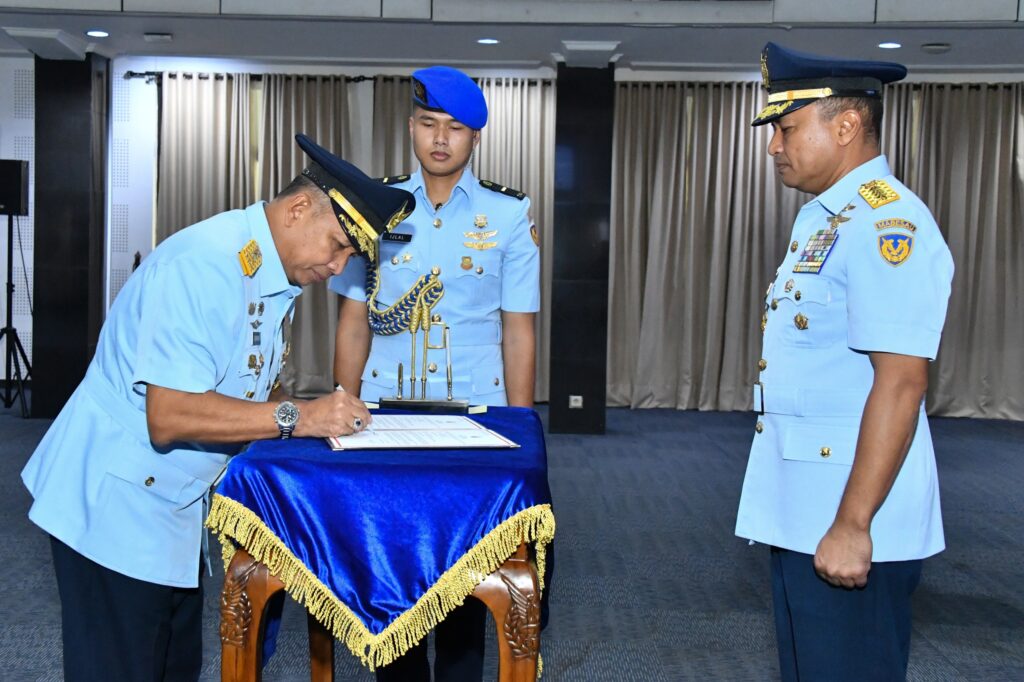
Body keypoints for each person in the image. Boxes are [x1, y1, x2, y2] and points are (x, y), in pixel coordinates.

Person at [21, 134, 414, 682]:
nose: (340, 264)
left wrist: (306, 415)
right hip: (113, 509)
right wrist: (298, 418)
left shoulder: (270, 276)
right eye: (340, 244)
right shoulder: (205, 266)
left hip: (169, 513)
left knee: (172, 667)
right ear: (300, 208)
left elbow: (244, 388)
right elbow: (170, 415)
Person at [735, 42, 954, 682]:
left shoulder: (890, 225)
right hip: (805, 508)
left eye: (786, 128)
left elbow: (903, 380)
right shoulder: (824, 217)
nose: (774, 146)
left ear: (847, 126)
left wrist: (854, 525)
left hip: (852, 518)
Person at [329, 66, 541, 681]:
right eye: (428, 124)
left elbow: (519, 327)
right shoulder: (376, 207)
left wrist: (519, 426)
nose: (440, 140)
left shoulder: (508, 215)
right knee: (389, 581)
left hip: (473, 421)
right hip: (386, 417)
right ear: (411, 128)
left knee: (464, 583)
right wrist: (342, 405)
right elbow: (352, 321)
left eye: (454, 128)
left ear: (475, 138)